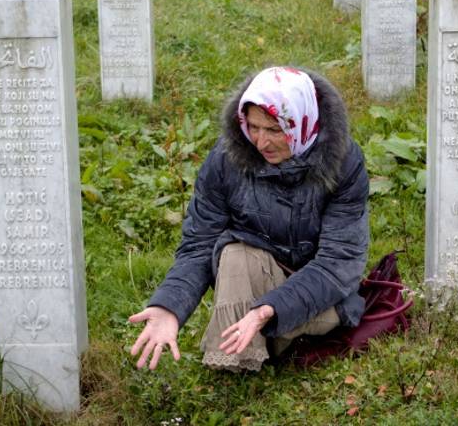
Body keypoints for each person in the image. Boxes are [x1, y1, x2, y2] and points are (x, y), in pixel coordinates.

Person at [128, 66, 370, 371]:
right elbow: (199, 243)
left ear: (302, 123)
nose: (260, 142)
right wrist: (169, 307)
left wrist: (270, 308)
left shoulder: (344, 162)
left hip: (316, 291)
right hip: (254, 275)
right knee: (234, 253)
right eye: (253, 127)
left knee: (296, 311)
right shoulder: (225, 160)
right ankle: (237, 358)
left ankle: (272, 336)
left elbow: (339, 263)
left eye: (274, 130)